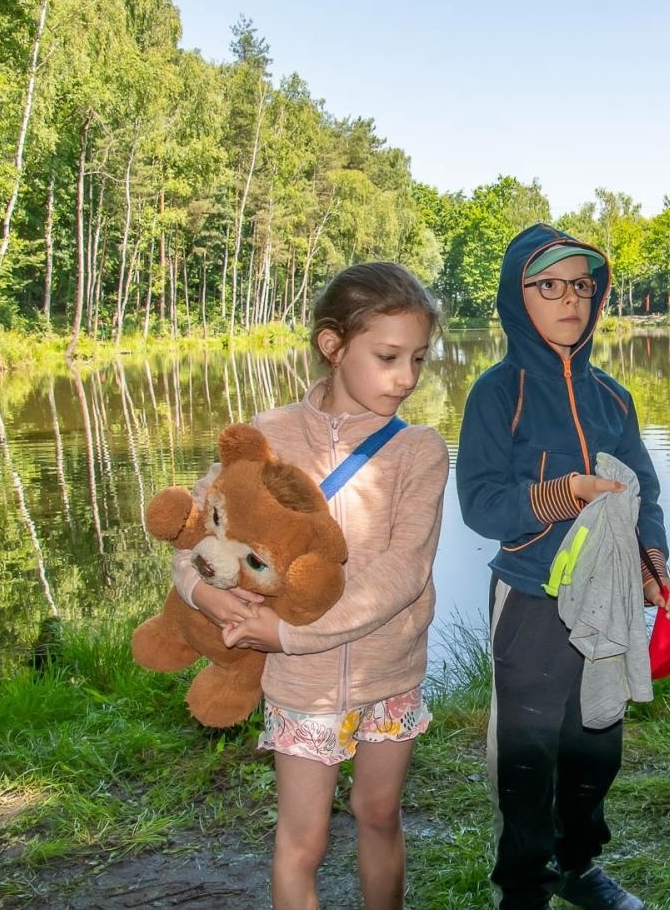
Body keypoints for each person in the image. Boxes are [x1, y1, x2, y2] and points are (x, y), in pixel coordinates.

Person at [175, 262, 449, 910]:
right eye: (388, 356)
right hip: (300, 686)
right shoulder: (265, 438)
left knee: (378, 812)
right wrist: (201, 593)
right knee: (303, 842)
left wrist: (293, 629)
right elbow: (198, 531)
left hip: (389, 670)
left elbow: (403, 570)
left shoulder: (421, 450)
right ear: (333, 345)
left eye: (417, 357)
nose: (406, 376)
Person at [457, 223, 670, 910]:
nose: (570, 299)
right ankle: (525, 887)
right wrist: (567, 492)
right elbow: (480, 504)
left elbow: (640, 495)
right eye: (550, 285)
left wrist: (657, 574)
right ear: (517, 296)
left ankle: (577, 863)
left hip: (609, 602)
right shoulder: (497, 393)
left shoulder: (614, 398)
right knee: (527, 757)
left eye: (583, 286)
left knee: (598, 743)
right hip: (530, 598)